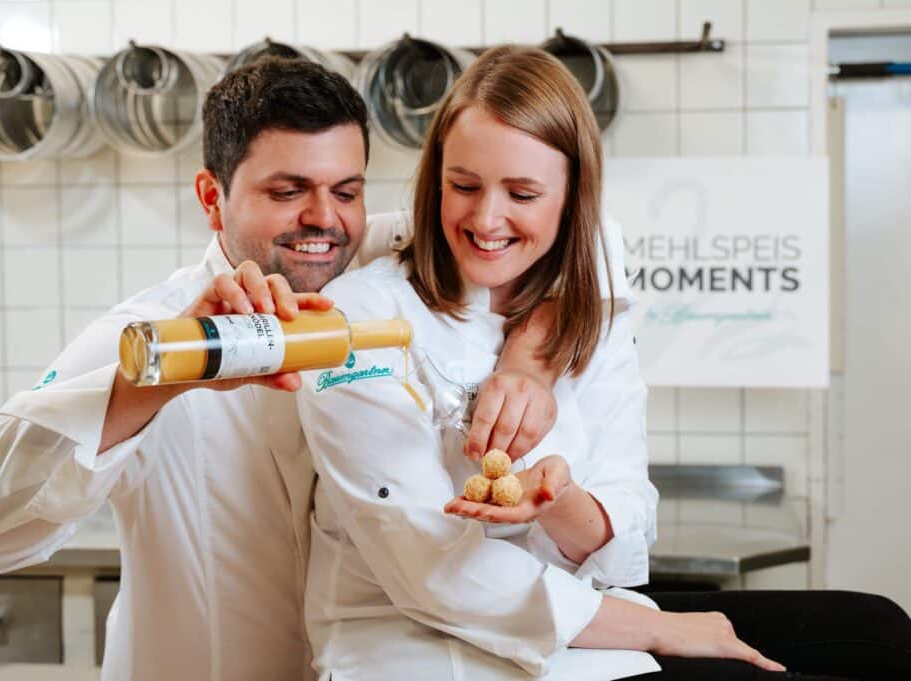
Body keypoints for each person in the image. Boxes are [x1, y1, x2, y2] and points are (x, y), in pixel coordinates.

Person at [0, 58, 562, 681]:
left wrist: (526, 360)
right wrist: (152, 388)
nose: (324, 219)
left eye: (347, 191)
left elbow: (570, 246)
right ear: (212, 196)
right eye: (287, 192)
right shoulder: (155, 335)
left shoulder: (381, 270)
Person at [294, 45, 911, 681]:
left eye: (524, 193)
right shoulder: (356, 324)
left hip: (576, 627)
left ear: (572, 201)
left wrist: (559, 499)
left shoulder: (590, 311)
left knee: (880, 630)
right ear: (435, 181)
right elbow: (437, 576)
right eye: (463, 185)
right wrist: (663, 629)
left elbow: (624, 543)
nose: (486, 218)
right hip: (416, 645)